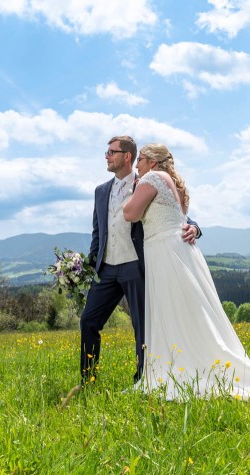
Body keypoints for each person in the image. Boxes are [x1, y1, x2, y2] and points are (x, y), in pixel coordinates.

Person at [123, 143, 250, 400]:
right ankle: (187, 360)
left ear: (152, 162)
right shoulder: (169, 181)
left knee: (175, 308)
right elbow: (179, 219)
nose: (137, 165)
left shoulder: (151, 178)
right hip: (173, 250)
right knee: (186, 310)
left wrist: (130, 194)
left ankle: (187, 366)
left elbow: (130, 213)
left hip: (165, 251)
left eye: (140, 159)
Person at [80, 136, 201, 385]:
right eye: (106, 151)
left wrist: (195, 228)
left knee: (142, 326)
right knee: (88, 320)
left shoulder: (147, 180)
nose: (106, 155)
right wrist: (87, 267)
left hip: (136, 265)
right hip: (107, 269)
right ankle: (87, 378)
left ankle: (142, 378)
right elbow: (98, 232)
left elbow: (175, 214)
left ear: (127, 156)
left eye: (112, 151)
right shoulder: (101, 191)